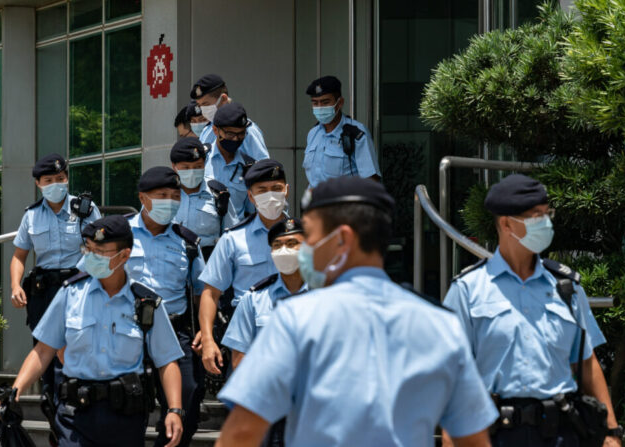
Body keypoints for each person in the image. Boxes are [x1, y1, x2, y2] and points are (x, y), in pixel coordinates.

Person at [215, 177, 498, 447]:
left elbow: (241, 432)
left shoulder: (295, 320)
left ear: (342, 240)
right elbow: (473, 438)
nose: (305, 251)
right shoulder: (440, 324)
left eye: (311, 237)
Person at [443, 174, 623, 446]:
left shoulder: (566, 287)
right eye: (535, 216)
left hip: (562, 431)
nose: (545, 222)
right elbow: (451, 375)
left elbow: (587, 363)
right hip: (495, 434)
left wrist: (611, 433)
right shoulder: (468, 290)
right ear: (506, 224)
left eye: (546, 214)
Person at [11, 215, 185, 447]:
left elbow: (167, 360)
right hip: (75, 414)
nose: (92, 257)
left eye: (100, 252)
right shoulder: (70, 294)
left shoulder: (146, 302)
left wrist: (174, 409)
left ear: (124, 255)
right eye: (89, 249)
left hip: (125, 416)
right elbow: (43, 350)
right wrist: (16, 390)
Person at [9, 153, 102, 409]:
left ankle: (78, 400)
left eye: (60, 178)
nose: (55, 184)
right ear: (38, 184)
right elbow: (19, 256)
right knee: (45, 351)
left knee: (76, 346)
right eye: (48, 180)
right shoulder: (31, 215)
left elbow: (102, 247)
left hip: (78, 286)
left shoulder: (85, 210)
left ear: (67, 178)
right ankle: (52, 406)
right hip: (44, 291)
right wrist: (16, 286)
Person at [125, 166, 207, 447]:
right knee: (126, 404)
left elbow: (200, 291)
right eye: (162, 195)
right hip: (126, 329)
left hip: (174, 329)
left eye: (175, 196)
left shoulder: (188, 242)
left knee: (188, 396)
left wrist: (203, 331)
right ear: (143, 197)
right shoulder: (118, 235)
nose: (170, 201)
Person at [197, 159, 289, 375]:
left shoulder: (306, 237)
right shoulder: (233, 239)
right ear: (250, 196)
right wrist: (208, 340)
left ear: (287, 190)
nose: (271, 195)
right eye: (262, 190)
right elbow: (211, 292)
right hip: (247, 336)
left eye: (276, 188)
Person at [221, 218, 307, 447]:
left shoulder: (328, 296)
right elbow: (239, 360)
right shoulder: (253, 299)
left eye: (292, 243)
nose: (284, 251)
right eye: (277, 246)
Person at [303, 75, 380, 188]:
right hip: (316, 204)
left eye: (325, 102)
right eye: (315, 103)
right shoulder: (313, 133)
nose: (319, 107)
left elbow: (371, 180)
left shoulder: (356, 132)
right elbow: (313, 179)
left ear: (340, 103)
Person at [203, 102, 268, 227]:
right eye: (230, 134)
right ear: (216, 130)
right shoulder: (201, 160)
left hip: (235, 238)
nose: (235, 139)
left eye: (241, 134)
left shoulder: (249, 168)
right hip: (205, 240)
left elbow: (251, 212)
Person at [170, 137, 231, 261]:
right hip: (171, 263)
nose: (192, 171)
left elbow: (231, 234)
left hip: (208, 265)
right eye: (186, 167)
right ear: (174, 167)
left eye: (198, 166)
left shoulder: (218, 193)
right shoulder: (161, 193)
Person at [190, 73, 268, 160]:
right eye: (200, 105)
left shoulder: (247, 131)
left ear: (223, 99)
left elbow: (263, 168)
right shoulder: (207, 130)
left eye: (206, 104)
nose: (203, 109)